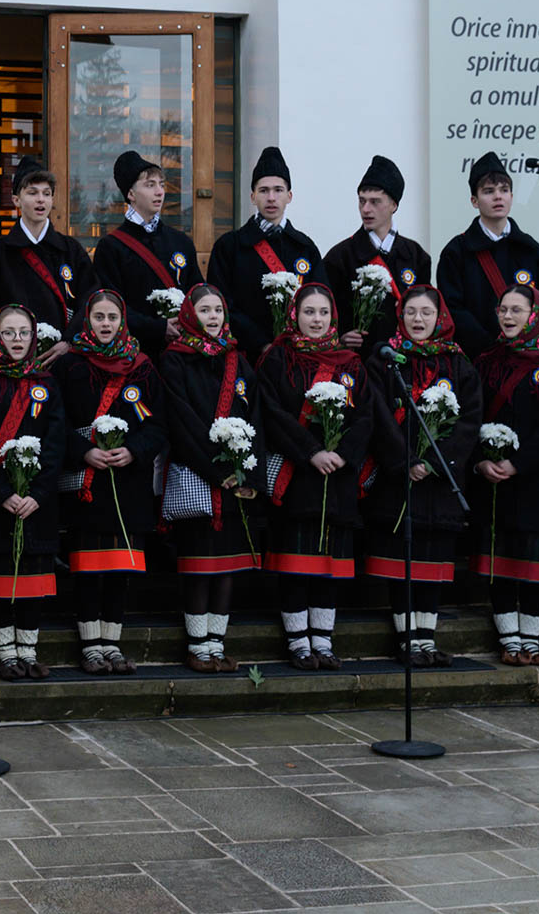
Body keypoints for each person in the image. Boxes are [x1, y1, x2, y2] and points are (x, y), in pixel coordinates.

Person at [362, 287, 481, 667]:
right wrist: (407, 460)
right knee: (405, 559)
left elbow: (469, 421)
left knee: (433, 560)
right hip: (401, 480)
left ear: (440, 317)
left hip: (440, 482)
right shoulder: (384, 362)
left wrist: (436, 463)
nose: (418, 320)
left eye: (426, 313)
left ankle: (427, 638)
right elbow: (378, 417)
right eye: (411, 312)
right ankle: (406, 639)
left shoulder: (459, 363)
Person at [258, 284, 374, 670]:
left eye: (323, 312)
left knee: (328, 564)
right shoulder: (278, 359)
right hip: (297, 475)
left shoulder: (351, 364)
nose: (316, 319)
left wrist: (341, 454)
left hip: (337, 477)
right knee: (296, 564)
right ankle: (298, 644)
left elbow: (365, 417)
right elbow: (272, 414)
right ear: (295, 314)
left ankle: (323, 642)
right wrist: (311, 452)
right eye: (309, 312)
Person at [56, 290, 164, 674]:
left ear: (123, 321)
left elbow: (157, 424)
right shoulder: (69, 366)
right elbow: (57, 422)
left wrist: (133, 450)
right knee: (89, 569)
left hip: (128, 480)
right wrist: (83, 451)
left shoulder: (143, 368)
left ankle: (112, 644)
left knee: (120, 570)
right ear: (87, 321)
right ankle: (90, 645)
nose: (105, 325)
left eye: (112, 318)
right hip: (87, 480)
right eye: (98, 317)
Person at [160, 285, 265, 672]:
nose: (213, 317)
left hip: (235, 481)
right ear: (189, 314)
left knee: (228, 567)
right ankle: (197, 645)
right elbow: (181, 420)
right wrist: (217, 471)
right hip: (199, 477)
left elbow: (255, 417)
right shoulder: (174, 360)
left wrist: (244, 471)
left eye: (218, 309)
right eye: (204, 310)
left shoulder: (239, 359)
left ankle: (217, 645)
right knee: (199, 567)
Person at [470, 287, 539, 665]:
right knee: (501, 563)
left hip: (535, 480)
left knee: (533, 563)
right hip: (492, 480)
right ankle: (509, 639)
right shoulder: (485, 361)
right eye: (503, 309)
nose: (508, 316)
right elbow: (472, 416)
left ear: (538, 314)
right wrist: (482, 461)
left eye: (517, 310)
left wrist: (519, 463)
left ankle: (531, 638)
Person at [0, 305, 67, 679]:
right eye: (8, 333)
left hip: (37, 502)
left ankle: (28, 649)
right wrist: (1, 492)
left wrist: (37, 493)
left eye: (24, 333)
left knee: (31, 577)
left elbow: (56, 443)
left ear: (35, 336)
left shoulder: (47, 383)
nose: (17, 340)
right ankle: (6, 653)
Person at [436, 151, 539, 358]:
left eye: (504, 190)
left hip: (529, 359)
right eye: (488, 191)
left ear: (511, 197)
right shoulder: (457, 252)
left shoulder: (531, 249)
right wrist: (490, 347)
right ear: (474, 201)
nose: (497, 196)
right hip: (478, 359)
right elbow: (452, 309)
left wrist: (531, 341)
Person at [205, 147, 323, 363]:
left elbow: (321, 303)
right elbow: (221, 304)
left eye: (278, 190)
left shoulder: (305, 248)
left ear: (289, 196)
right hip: (244, 357)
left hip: (298, 357)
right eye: (264, 190)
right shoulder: (229, 247)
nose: (271, 198)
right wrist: (261, 343)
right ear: (252, 196)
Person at [0, 156, 95, 367]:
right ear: (16, 200)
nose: (41, 200)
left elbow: (90, 299)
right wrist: (13, 344)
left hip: (65, 360)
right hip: (13, 363)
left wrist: (69, 341)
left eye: (46, 194)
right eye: (32, 193)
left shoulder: (70, 251)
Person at [321, 155, 434, 360]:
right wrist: (341, 336)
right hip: (358, 363)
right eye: (362, 201)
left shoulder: (417, 256)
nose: (366, 209)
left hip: (405, 361)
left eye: (375, 202)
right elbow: (325, 312)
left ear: (394, 204)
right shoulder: (339, 257)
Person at [92, 151, 203, 359]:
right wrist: (157, 328)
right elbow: (111, 306)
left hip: (184, 354)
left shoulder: (182, 242)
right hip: (134, 356)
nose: (160, 192)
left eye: (161, 184)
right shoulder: (111, 247)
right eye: (150, 185)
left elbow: (198, 294)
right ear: (131, 194)